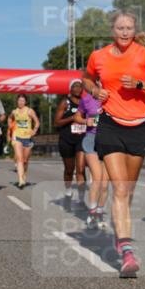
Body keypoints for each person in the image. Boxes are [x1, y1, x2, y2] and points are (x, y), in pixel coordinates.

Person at [83, 11, 145, 277]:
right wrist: (94, 90)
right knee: (120, 190)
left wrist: (139, 84)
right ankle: (127, 251)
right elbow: (87, 78)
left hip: (138, 127)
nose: (124, 32)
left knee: (128, 192)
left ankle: (119, 234)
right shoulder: (98, 56)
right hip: (110, 125)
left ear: (134, 31)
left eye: (129, 28)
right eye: (120, 28)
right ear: (112, 30)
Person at [72, 88, 108, 229]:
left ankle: (98, 213)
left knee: (105, 185)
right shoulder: (86, 99)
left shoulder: (111, 98)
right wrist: (86, 121)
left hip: (108, 140)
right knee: (97, 178)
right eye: (96, 83)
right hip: (91, 139)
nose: (98, 86)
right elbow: (76, 117)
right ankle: (92, 213)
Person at [54, 79, 87, 208]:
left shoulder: (85, 103)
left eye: (80, 86)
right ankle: (68, 192)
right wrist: (72, 118)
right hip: (66, 140)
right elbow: (56, 122)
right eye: (75, 86)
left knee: (81, 169)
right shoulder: (65, 102)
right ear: (70, 89)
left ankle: (81, 199)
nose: (78, 89)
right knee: (69, 170)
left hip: (81, 140)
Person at [9, 94, 39, 189]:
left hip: (27, 138)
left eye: (22, 101)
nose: (21, 102)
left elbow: (37, 122)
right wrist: (11, 127)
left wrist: (34, 130)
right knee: (19, 158)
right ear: (17, 101)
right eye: (19, 100)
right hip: (17, 137)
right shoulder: (14, 112)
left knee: (25, 161)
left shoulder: (29, 111)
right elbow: (9, 118)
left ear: (25, 102)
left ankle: (24, 175)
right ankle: (20, 180)